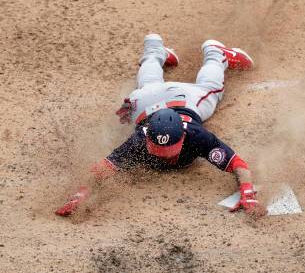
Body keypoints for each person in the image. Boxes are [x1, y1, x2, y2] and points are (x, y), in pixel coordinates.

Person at [56, 33, 266, 217]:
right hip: (147, 102)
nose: (165, 154)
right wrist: (80, 195)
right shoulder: (138, 141)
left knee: (199, 89)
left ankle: (197, 52)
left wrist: (247, 192)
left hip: (180, 98)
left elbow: (239, 165)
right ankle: (191, 52)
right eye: (160, 149)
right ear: (148, 137)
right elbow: (102, 170)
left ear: (183, 136)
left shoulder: (196, 134)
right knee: (185, 88)